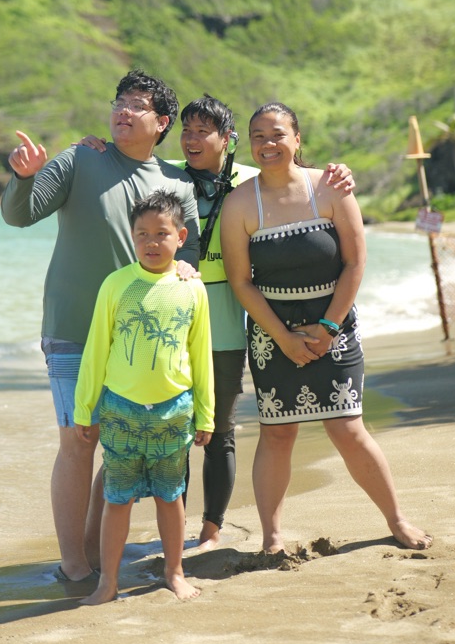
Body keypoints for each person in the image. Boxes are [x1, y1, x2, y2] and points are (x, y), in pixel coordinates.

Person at [77, 95, 355, 550]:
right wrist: (95, 148)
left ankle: (212, 529)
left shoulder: (250, 181)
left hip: (225, 320)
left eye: (203, 131)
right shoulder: (167, 176)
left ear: (227, 140)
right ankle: (175, 532)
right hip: (169, 326)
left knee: (219, 431)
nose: (191, 140)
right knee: (176, 434)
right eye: (185, 131)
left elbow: (298, 183)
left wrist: (340, 173)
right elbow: (128, 170)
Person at [0, 70, 201, 594]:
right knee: (78, 438)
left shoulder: (179, 182)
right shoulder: (81, 158)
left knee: (115, 439)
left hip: (140, 340)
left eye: (138, 105)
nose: (123, 110)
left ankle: (92, 552)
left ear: (161, 123)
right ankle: (73, 564)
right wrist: (23, 178)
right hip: (72, 328)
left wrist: (186, 272)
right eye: (119, 101)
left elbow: (191, 256)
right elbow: (19, 216)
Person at [220, 102, 432, 553]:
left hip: (335, 330)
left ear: (297, 139)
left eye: (277, 134)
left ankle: (396, 520)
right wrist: (282, 337)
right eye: (257, 136)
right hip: (271, 335)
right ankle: (272, 538)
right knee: (278, 433)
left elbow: (356, 262)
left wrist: (329, 328)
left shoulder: (331, 188)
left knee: (347, 427)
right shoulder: (240, 202)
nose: (267, 144)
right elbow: (241, 281)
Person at [74, 190, 214, 603]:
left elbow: (200, 354)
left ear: (181, 236)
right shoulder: (116, 285)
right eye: (142, 235)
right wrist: (85, 408)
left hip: (175, 409)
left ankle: (175, 573)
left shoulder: (193, 289)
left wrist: (206, 414)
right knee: (117, 498)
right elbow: (96, 349)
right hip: (120, 409)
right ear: (132, 238)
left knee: (171, 496)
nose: (152, 243)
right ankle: (108, 583)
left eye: (161, 233)